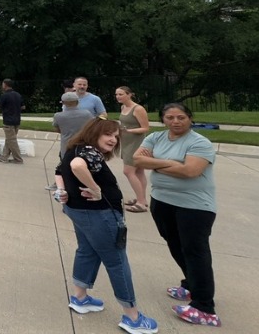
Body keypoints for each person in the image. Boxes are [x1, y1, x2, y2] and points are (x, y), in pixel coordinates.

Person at [58, 118, 159, 334]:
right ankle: (132, 317)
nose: (113, 139)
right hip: (99, 215)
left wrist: (62, 191)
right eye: (108, 135)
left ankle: (80, 297)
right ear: (94, 132)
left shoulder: (75, 148)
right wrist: (95, 189)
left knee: (87, 251)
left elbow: (60, 170)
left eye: (116, 136)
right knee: (117, 262)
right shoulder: (89, 153)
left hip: (79, 212)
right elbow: (76, 167)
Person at [134, 103, 221, 327]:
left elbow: (190, 171)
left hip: (194, 207)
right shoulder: (156, 138)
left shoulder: (199, 142)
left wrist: (155, 164)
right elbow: (138, 159)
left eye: (181, 117)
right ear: (163, 119)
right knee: (174, 244)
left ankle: (204, 307)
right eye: (170, 117)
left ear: (190, 118)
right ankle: (191, 284)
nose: (175, 121)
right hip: (162, 202)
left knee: (195, 251)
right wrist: (171, 163)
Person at [48, 91, 95, 191]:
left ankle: (61, 183)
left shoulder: (58, 116)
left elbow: (57, 129)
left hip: (67, 144)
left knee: (65, 164)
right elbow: (92, 126)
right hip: (83, 142)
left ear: (63, 103)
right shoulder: (86, 114)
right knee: (84, 163)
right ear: (77, 102)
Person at [116, 86, 150, 213]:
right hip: (126, 141)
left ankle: (140, 202)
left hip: (136, 143)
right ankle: (142, 199)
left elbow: (145, 128)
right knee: (139, 171)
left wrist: (128, 131)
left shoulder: (138, 109)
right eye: (117, 94)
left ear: (129, 94)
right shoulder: (123, 107)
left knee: (128, 171)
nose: (118, 97)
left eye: (121, 94)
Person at [0, 79, 24, 164]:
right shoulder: (18, 95)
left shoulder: (5, 96)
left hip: (8, 121)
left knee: (12, 141)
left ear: (5, 85)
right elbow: (23, 107)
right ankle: (4, 157)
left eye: (2, 84)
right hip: (17, 120)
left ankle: (18, 159)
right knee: (9, 140)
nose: (2, 86)